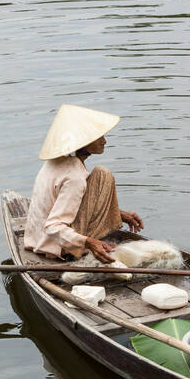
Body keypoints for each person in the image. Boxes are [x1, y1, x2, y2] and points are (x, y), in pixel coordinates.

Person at [24, 103, 143, 262]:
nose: (104, 141)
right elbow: (53, 226)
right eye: (99, 137)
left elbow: (70, 202)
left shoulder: (56, 161)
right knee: (103, 175)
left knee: (100, 174)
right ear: (83, 142)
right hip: (54, 246)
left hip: (36, 237)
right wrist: (89, 242)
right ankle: (74, 249)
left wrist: (118, 214)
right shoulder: (74, 176)